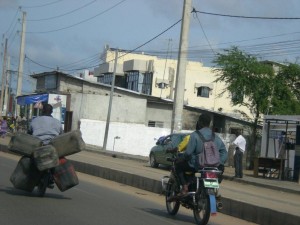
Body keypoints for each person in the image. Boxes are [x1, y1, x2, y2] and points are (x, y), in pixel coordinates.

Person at [175, 113, 228, 196]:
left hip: (196, 166)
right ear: (209, 123)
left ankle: (185, 186)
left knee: (178, 166)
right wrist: (219, 162)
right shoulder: (215, 137)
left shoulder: (194, 135)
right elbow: (224, 153)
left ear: (199, 122)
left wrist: (181, 159)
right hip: (213, 167)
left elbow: (188, 153)